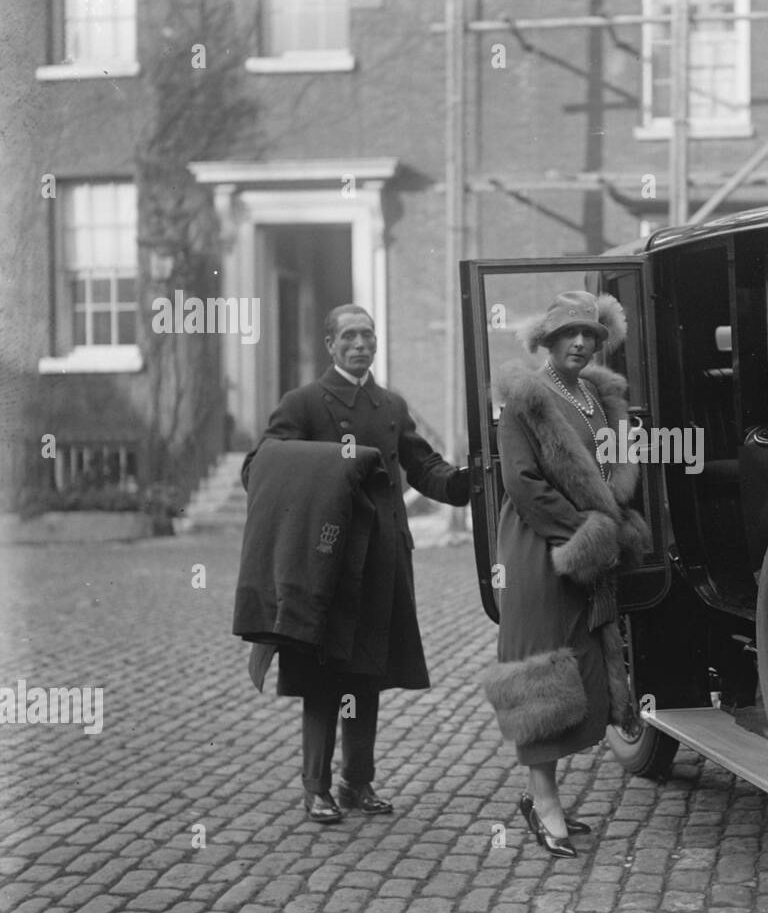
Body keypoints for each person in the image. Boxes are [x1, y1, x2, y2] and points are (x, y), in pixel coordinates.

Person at [241, 303, 470, 824]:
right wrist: (331, 472)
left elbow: (424, 467)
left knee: (366, 674)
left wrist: (467, 481)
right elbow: (260, 467)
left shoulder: (389, 404)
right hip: (327, 564)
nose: (361, 344)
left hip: (382, 560)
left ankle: (357, 782)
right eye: (349, 336)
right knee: (323, 679)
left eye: (368, 335)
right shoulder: (303, 403)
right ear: (330, 344)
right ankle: (316, 787)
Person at [479, 290, 649, 857]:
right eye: (567, 334)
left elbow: (612, 472)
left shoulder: (599, 399)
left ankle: (543, 797)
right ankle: (542, 800)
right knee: (544, 672)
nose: (580, 343)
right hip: (541, 547)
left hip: (589, 549)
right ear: (546, 342)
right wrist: (583, 534)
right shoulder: (525, 400)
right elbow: (523, 483)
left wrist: (608, 530)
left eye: (590, 335)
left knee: (581, 666)